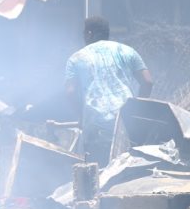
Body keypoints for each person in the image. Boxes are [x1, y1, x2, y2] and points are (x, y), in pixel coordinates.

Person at [65, 17, 153, 166]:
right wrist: (137, 111)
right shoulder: (127, 51)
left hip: (96, 129)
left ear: (89, 33)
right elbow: (147, 82)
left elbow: (70, 92)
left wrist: (81, 117)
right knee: (127, 174)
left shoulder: (76, 58)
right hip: (126, 126)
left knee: (98, 177)